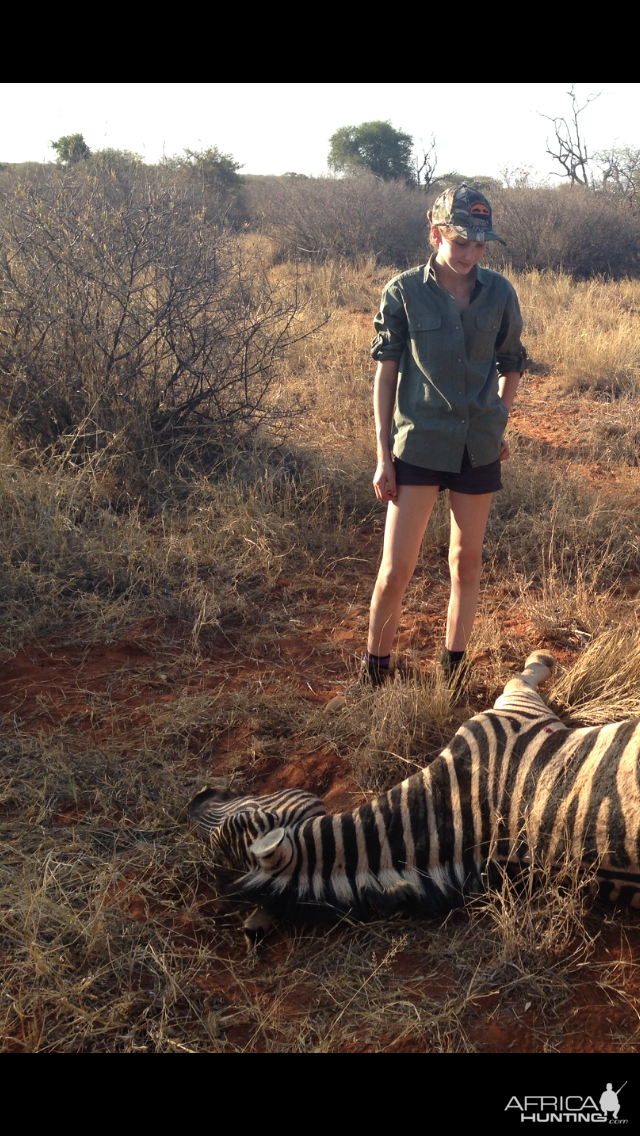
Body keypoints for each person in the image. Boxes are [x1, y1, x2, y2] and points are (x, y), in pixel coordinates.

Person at [363, 183, 526, 686]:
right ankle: (376, 673)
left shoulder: (498, 291)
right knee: (396, 569)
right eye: (462, 242)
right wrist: (383, 456)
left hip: (477, 443)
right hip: (419, 441)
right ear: (436, 233)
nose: (472, 254)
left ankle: (452, 671)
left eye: (481, 245)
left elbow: (512, 361)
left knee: (467, 561)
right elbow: (386, 374)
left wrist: (499, 416)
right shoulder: (404, 291)